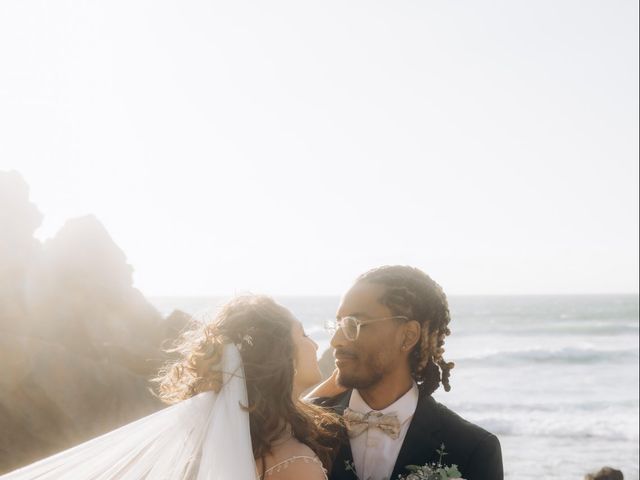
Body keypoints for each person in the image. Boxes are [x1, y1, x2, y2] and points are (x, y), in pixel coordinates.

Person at [1, 295, 343, 480]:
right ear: (280, 357)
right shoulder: (293, 465)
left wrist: (338, 382)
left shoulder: (231, 439)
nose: (315, 345)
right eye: (303, 335)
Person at [308, 265, 503, 480]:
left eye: (354, 324)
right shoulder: (304, 429)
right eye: (339, 324)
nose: (336, 340)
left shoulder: (472, 449)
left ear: (408, 336)